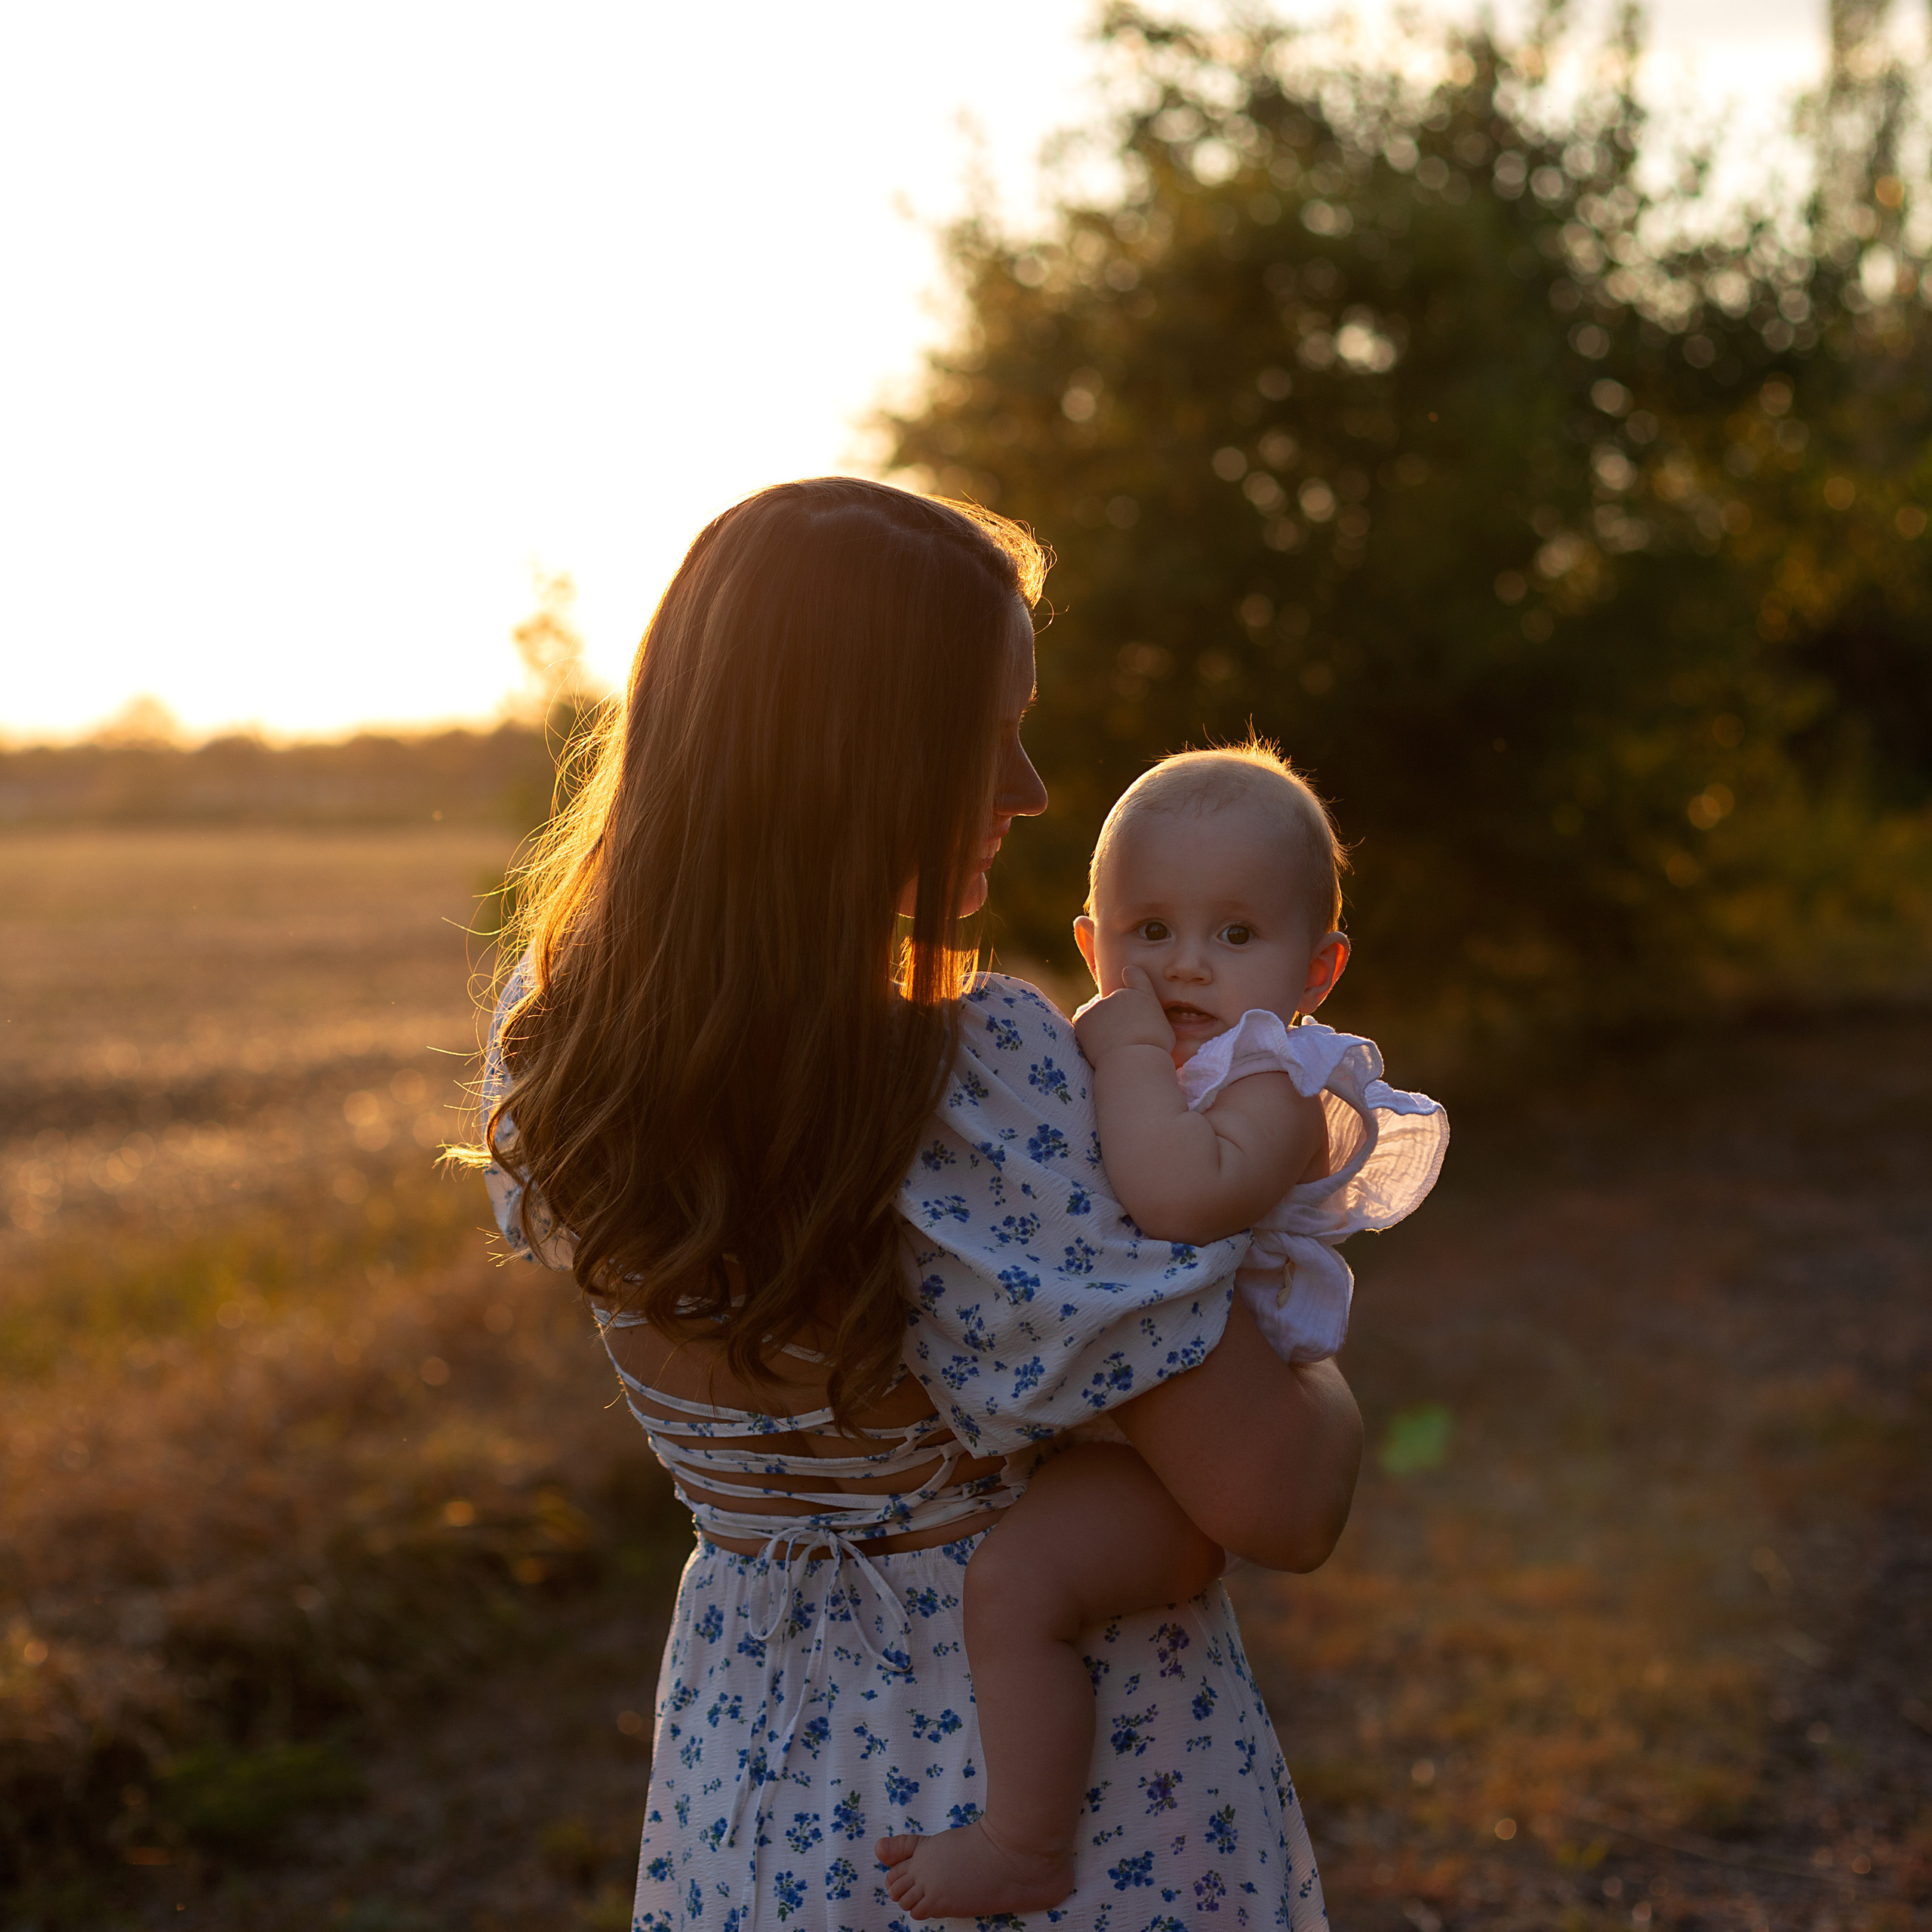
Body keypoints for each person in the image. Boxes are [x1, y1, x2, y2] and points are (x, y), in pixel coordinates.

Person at [469, 477, 1364, 1931]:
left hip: (743, 1778)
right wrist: (1313, 1364)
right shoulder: (976, 1076)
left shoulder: (556, 1045)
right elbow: (1282, 1496)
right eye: (989, 733)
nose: (1029, 789)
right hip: (1049, 1801)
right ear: (853, 759)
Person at [881, 744, 1448, 1919]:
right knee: (1015, 1577)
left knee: (1017, 1583)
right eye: (1149, 932)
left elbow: (1177, 1199)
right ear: (1091, 946)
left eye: (1237, 937)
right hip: (1131, 1427)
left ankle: (1026, 1843)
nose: (1187, 965)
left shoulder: (1279, 1082)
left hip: (1179, 1463)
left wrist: (1125, 1054)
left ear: (1320, 967)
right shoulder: (1155, 1055)